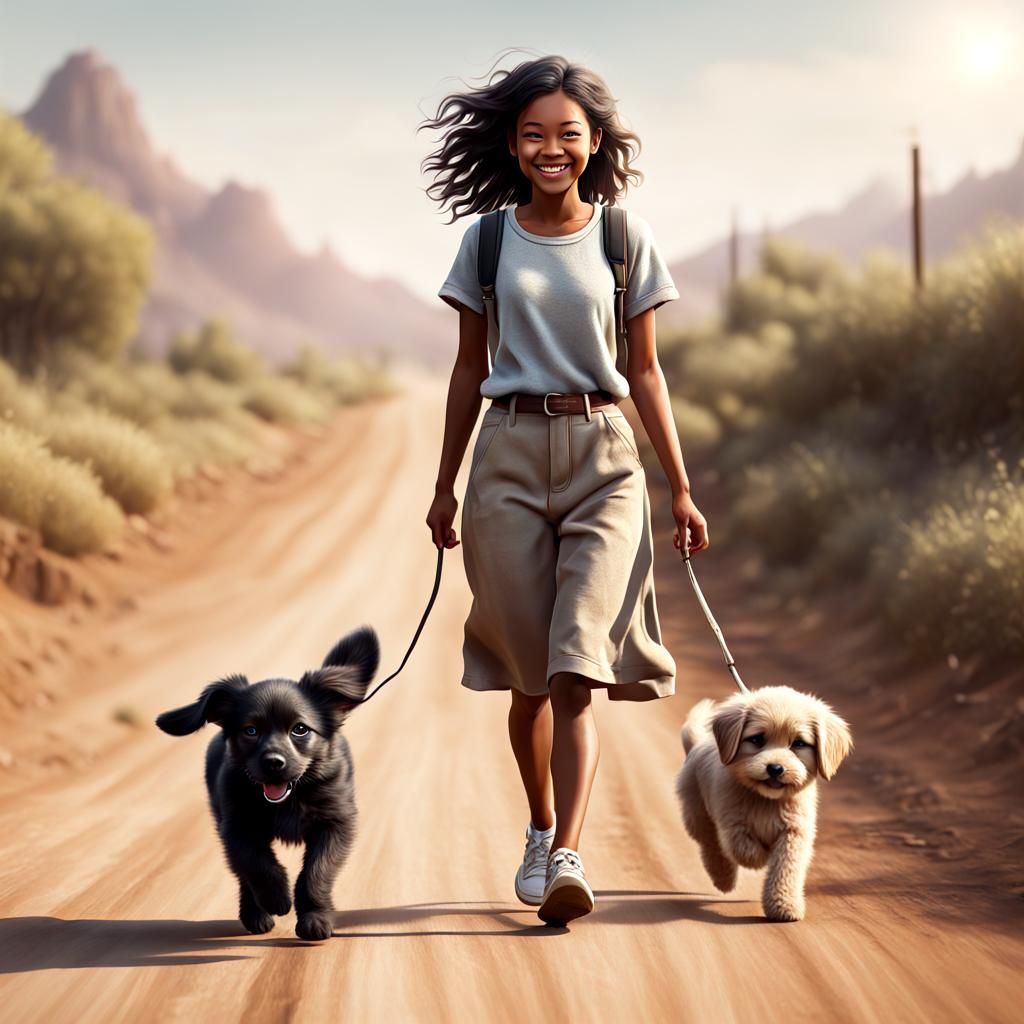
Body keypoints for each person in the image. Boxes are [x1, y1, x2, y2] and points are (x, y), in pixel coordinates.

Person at [422, 52, 709, 926]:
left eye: (568, 134)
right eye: (534, 134)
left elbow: (645, 372)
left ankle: (571, 860)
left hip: (603, 459)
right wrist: (443, 486)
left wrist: (681, 488)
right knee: (530, 680)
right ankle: (542, 830)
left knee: (578, 665)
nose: (552, 148)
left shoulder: (624, 238)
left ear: (593, 142)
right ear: (513, 144)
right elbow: (468, 369)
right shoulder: (486, 241)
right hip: (506, 457)